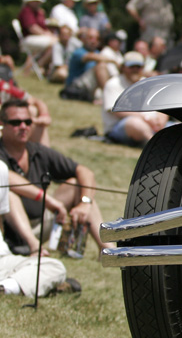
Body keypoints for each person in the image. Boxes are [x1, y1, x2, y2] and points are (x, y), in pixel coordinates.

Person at [0, 99, 112, 254]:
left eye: (27, 121)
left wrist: (85, 203)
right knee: (10, 195)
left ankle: (109, 250)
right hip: (9, 230)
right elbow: (6, 176)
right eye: (15, 122)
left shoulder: (38, 151)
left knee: (76, 185)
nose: (23, 127)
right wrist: (47, 199)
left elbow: (85, 172)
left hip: (41, 222)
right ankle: (35, 248)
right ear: (2, 124)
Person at [0, 161, 79, 297]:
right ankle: (18, 285)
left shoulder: (1, 169)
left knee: (55, 267)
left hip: (3, 260)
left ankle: (5, 288)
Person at [102, 52, 169, 146]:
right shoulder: (113, 84)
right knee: (135, 123)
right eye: (131, 67)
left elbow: (161, 105)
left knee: (178, 127)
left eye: (138, 67)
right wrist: (145, 118)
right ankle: (153, 145)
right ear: (123, 67)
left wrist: (162, 119)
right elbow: (117, 111)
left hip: (151, 124)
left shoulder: (147, 83)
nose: (135, 70)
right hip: (120, 127)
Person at [60, 27, 117, 102]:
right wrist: (114, 61)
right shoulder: (78, 52)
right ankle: (109, 98)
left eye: (97, 38)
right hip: (75, 87)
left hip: (90, 87)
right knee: (101, 66)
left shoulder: (98, 53)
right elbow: (90, 57)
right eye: (90, 38)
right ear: (83, 39)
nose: (93, 41)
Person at [16, 0, 56, 72]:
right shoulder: (26, 11)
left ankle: (37, 68)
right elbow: (32, 28)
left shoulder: (38, 12)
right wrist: (47, 34)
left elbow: (43, 27)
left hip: (38, 38)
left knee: (56, 43)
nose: (37, 3)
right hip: (29, 39)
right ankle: (38, 67)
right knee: (55, 44)